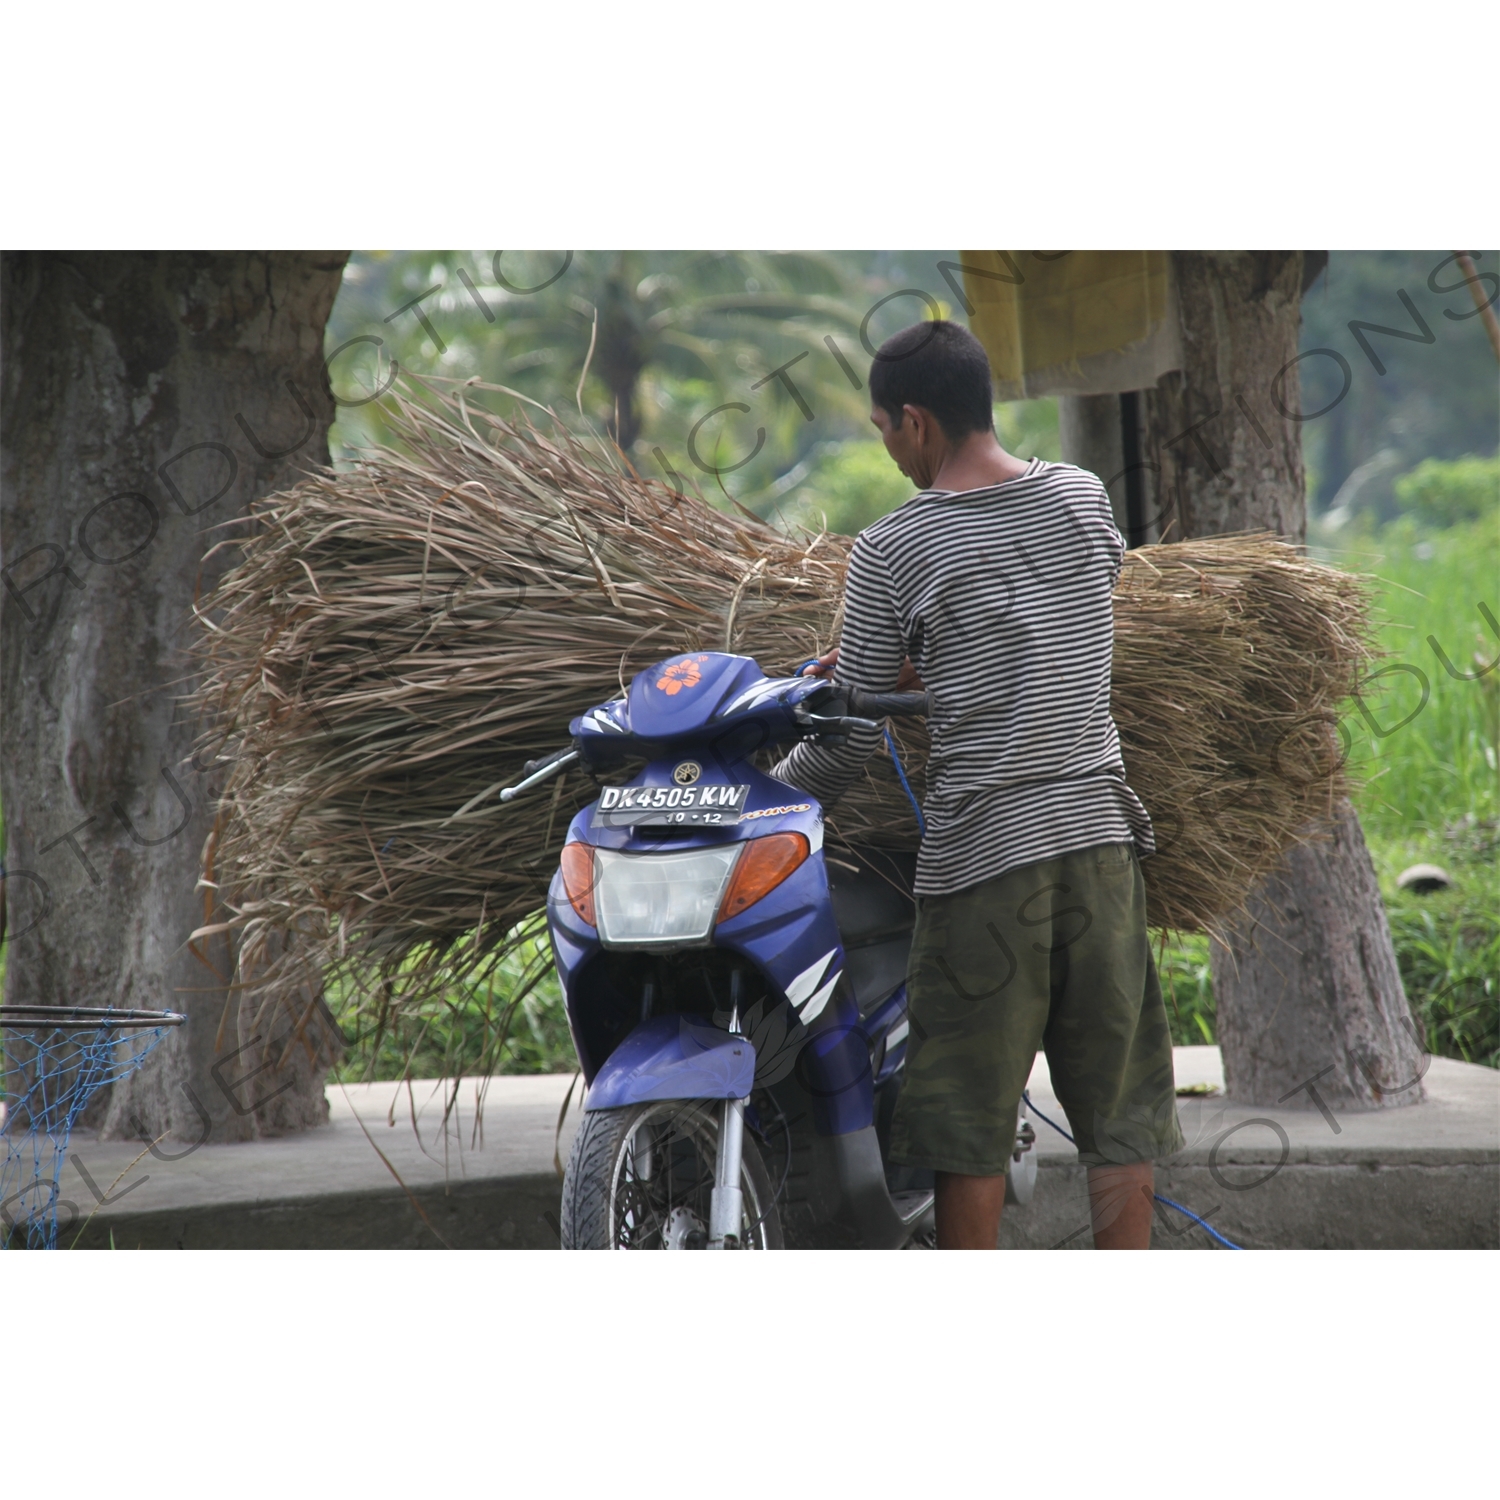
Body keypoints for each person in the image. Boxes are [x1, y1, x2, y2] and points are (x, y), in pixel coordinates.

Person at [773, 319, 1182, 1250]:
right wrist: (937, 661)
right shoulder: (1082, 500)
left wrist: (766, 797)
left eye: (883, 429)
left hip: (986, 862)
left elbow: (846, 738)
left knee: (968, 1127)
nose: (887, 449)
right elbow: (1045, 623)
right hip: (1100, 843)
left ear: (916, 422)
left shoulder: (891, 550)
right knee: (1119, 1114)